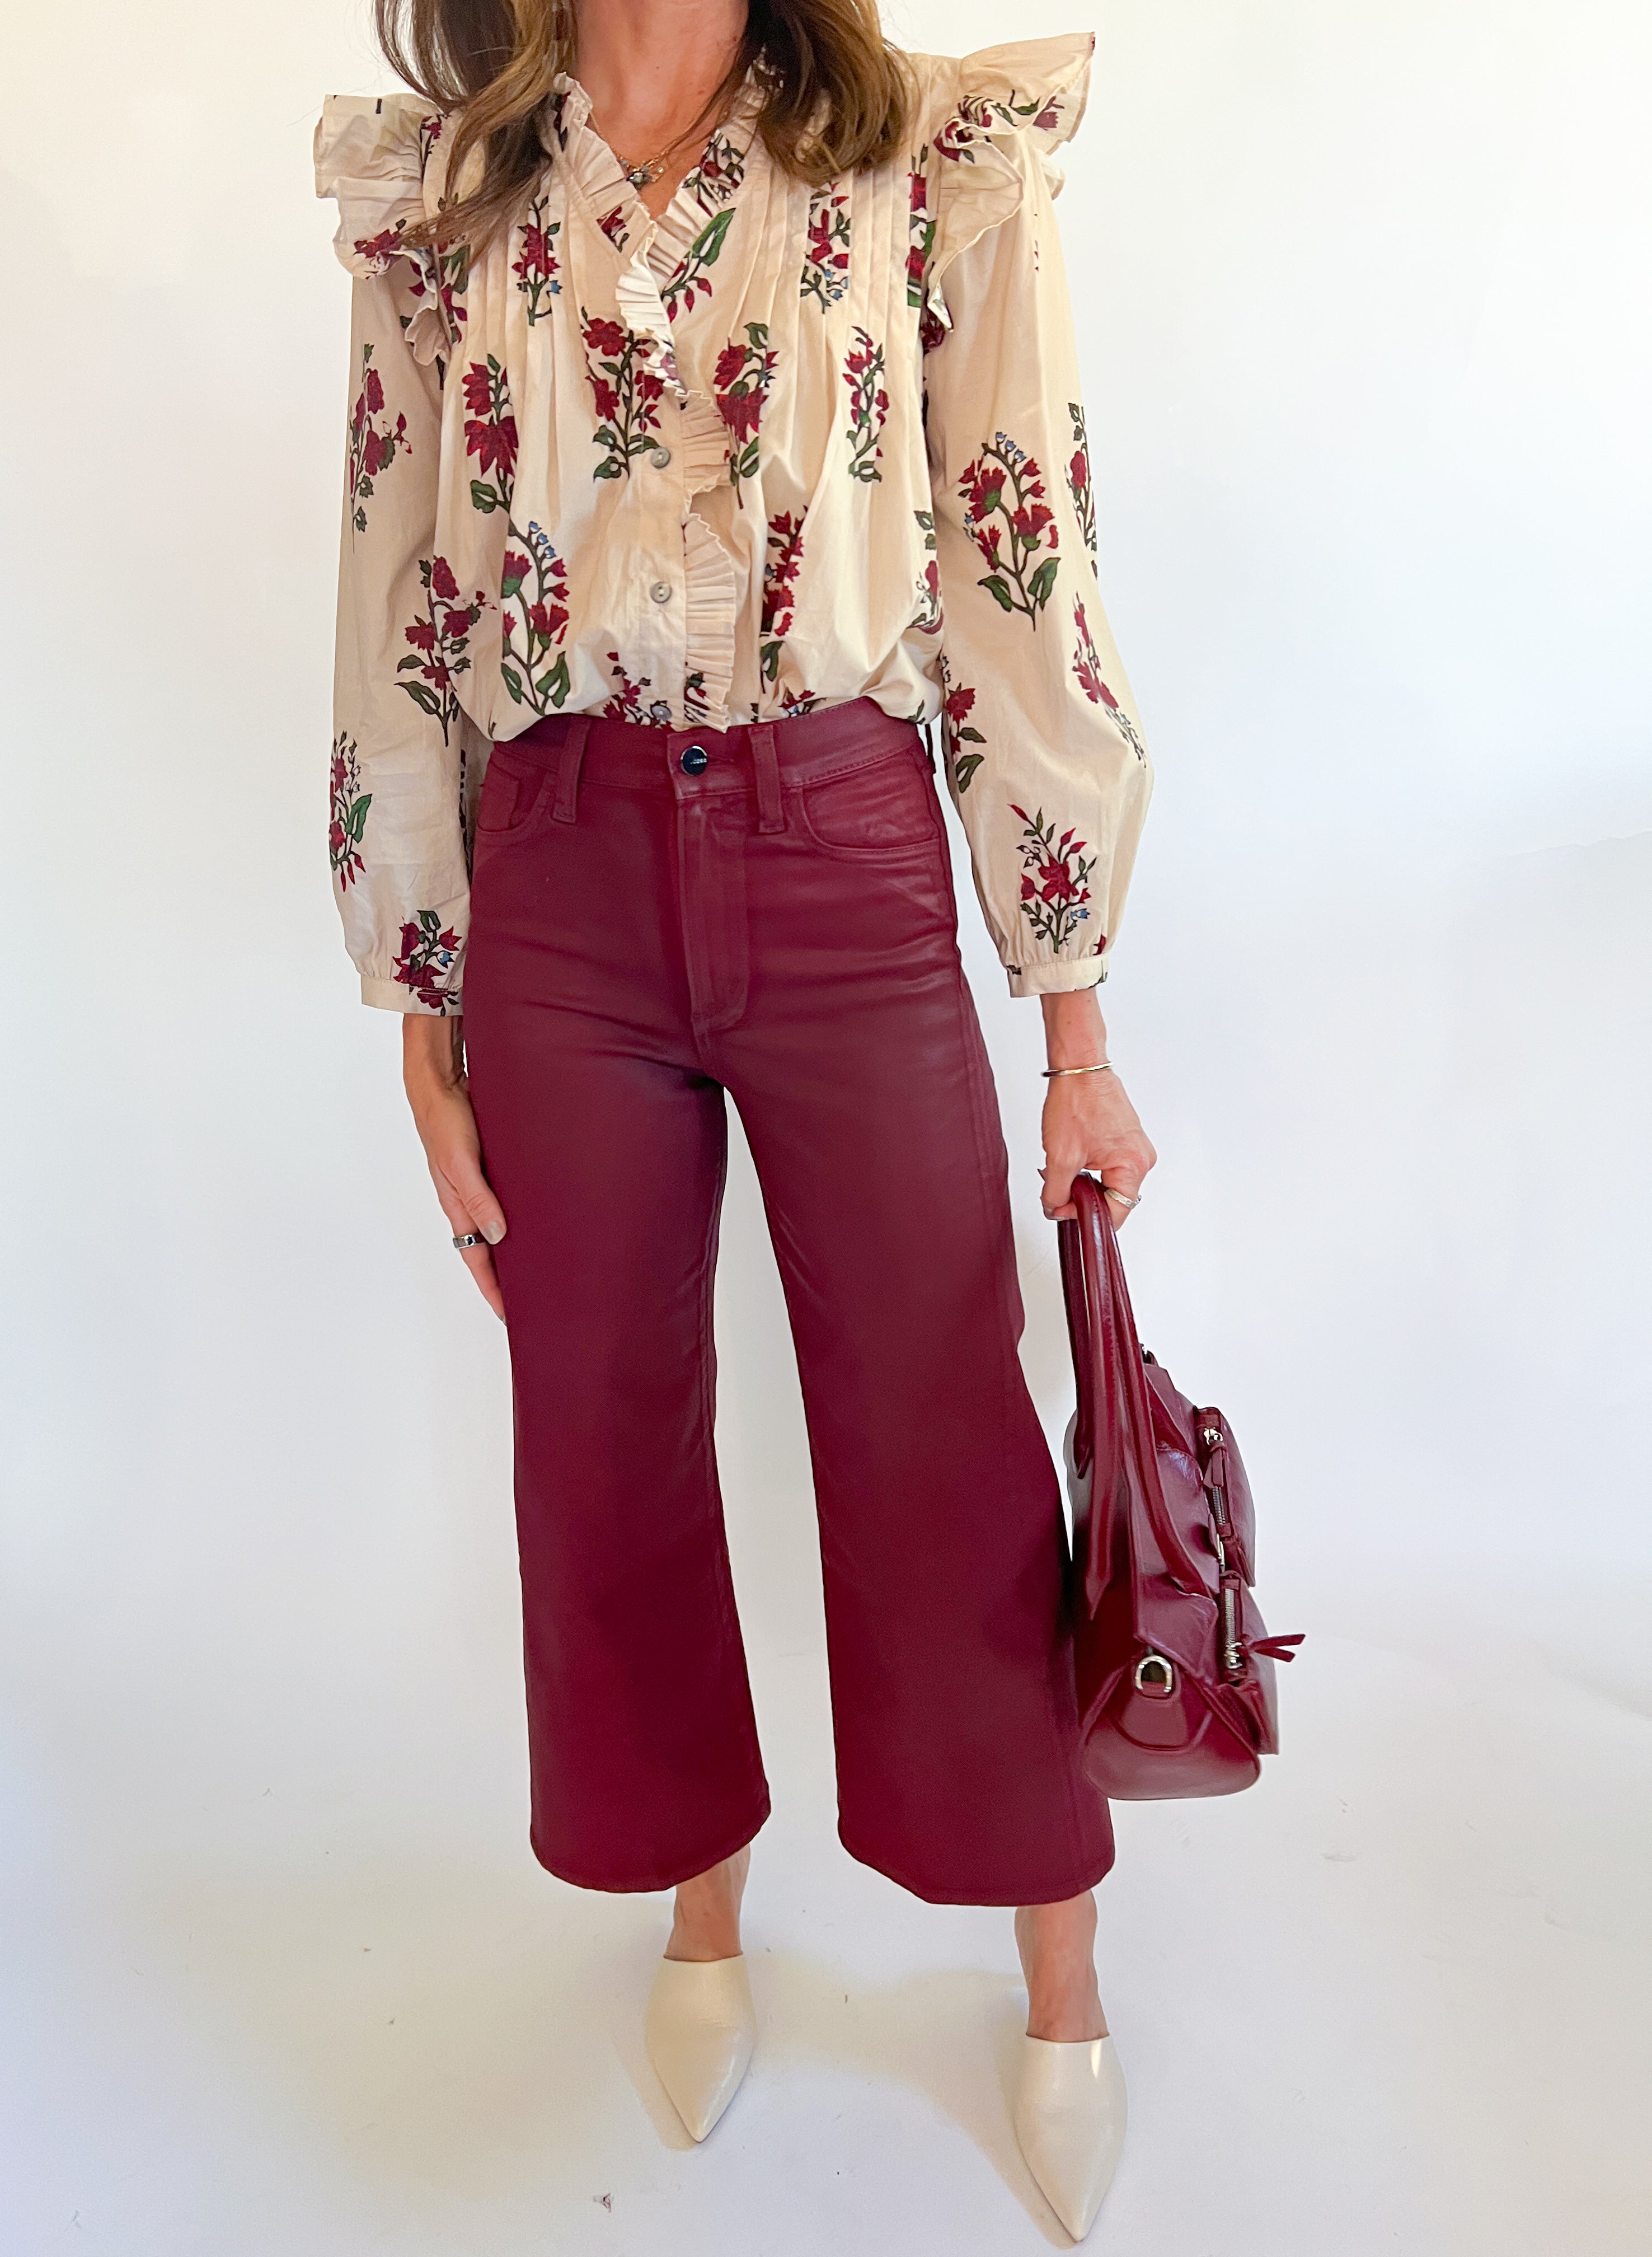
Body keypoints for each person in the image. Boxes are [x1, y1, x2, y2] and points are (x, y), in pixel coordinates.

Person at [315, 0, 1156, 2236]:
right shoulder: (451, 188)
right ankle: (700, 1908)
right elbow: (398, 585)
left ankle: (1058, 1970)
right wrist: (420, 1000)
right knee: (598, 1421)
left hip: (844, 839)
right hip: (560, 871)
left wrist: (1072, 1024)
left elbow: (1021, 560)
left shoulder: (919, 153)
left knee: (941, 1422)